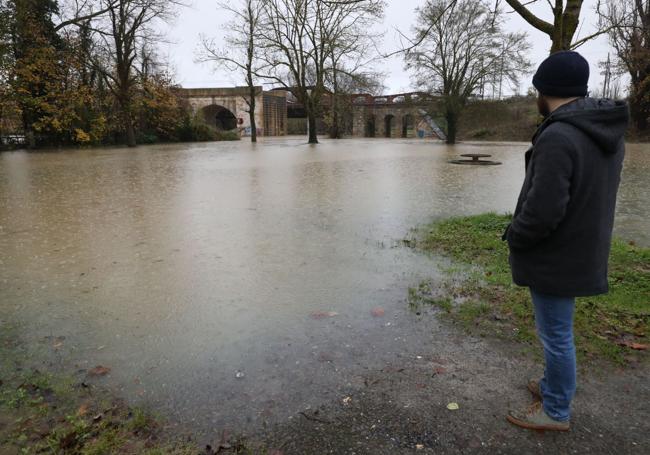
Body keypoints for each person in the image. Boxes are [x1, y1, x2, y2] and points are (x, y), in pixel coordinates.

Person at [502, 51, 629, 431]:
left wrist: (516, 236)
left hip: (556, 254)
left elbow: (544, 210)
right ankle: (552, 387)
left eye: (536, 89)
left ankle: (555, 411)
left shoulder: (558, 135)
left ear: (545, 89)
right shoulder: (602, 129)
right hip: (582, 248)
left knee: (556, 336)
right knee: (558, 331)